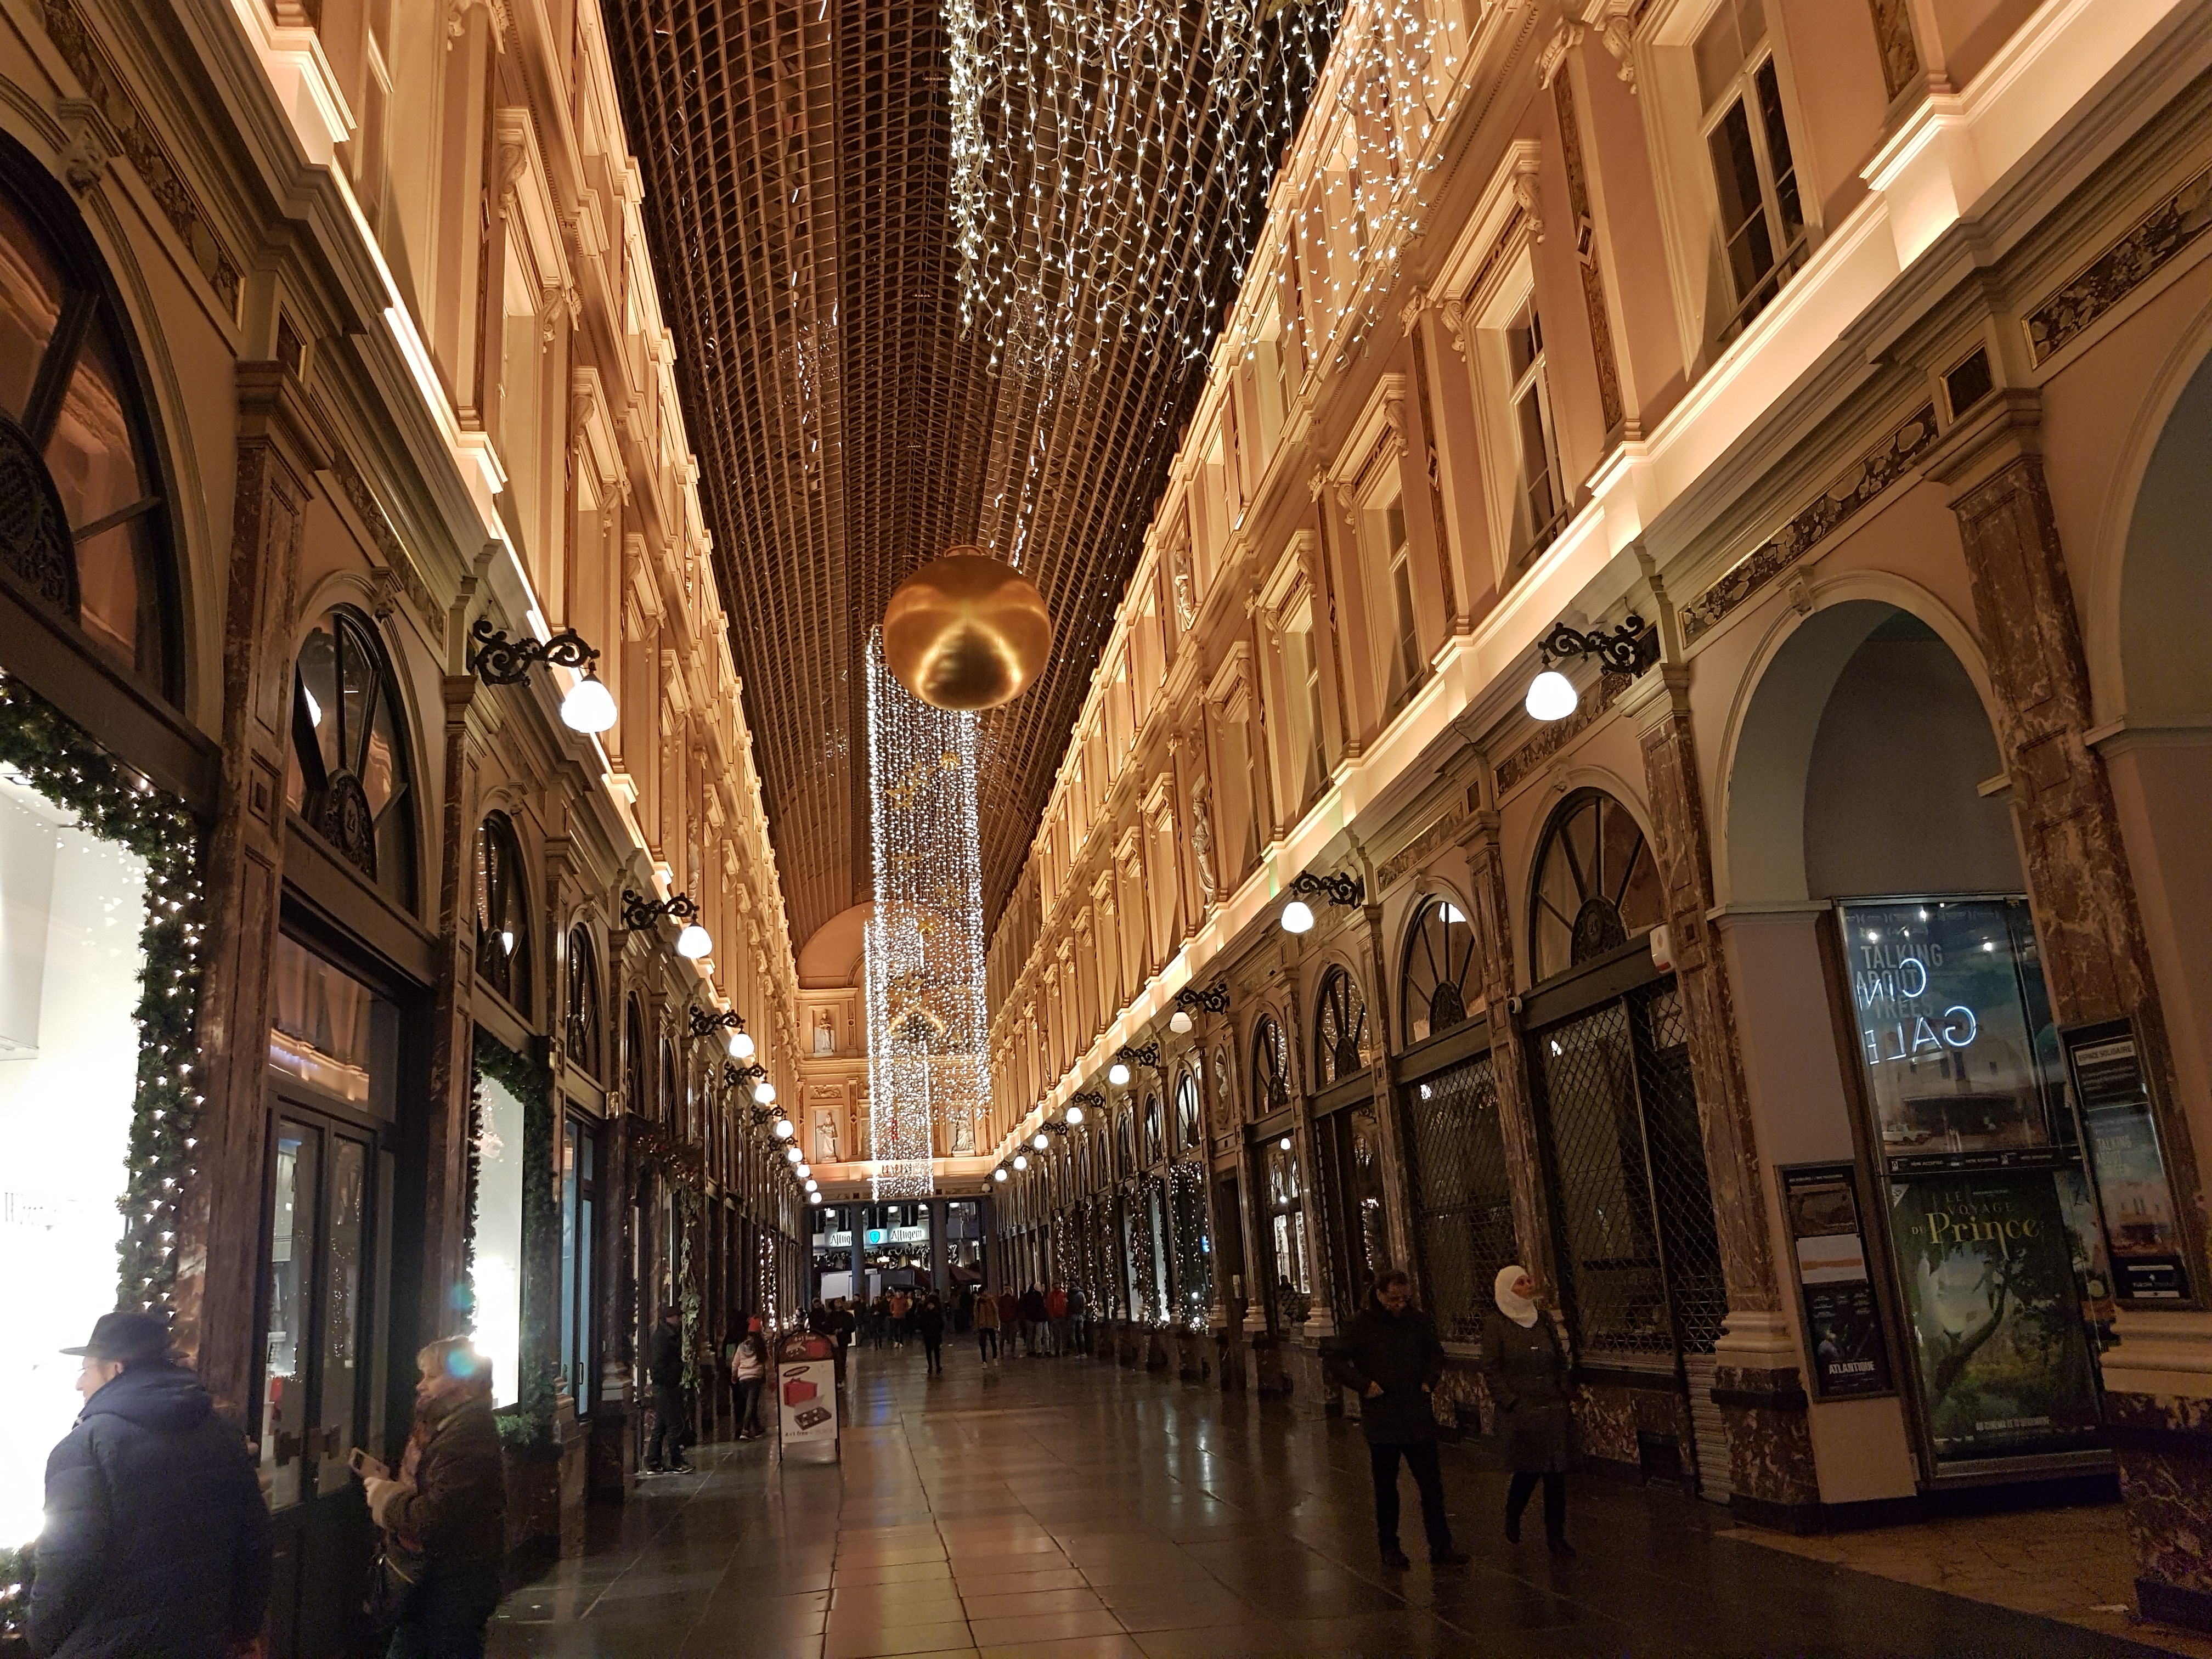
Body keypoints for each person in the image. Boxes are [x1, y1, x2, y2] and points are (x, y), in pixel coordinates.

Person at [30, 1310, 270, 1659]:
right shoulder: (223, 1434)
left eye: (86, 1369)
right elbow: (254, 1540)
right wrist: (244, 1630)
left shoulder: (84, 1448)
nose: (79, 1384)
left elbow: (66, 1568)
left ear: (116, 1369)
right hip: (204, 1642)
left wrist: (42, 1640)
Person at [362, 1337, 507, 1658]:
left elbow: (434, 1516)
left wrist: (387, 1500)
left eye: (432, 1376)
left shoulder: (468, 1432)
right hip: (433, 1577)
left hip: (454, 1581)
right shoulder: (442, 1426)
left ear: (463, 1384)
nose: (420, 1385)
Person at [1325, 1268, 1468, 1571]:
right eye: (1393, 1300)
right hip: (1384, 1418)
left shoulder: (1416, 1322)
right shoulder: (1362, 1325)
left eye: (1404, 1299)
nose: (1399, 1305)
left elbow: (1435, 1353)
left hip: (1417, 1415)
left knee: (1431, 1485)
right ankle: (1389, 1546)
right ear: (1379, 1295)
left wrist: (1429, 1381)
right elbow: (1333, 1359)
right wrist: (1364, 1385)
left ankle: (1441, 1545)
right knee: (1386, 1488)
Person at [1483, 1265, 1575, 1558]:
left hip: (1552, 1406)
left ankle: (1556, 1534)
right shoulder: (1497, 1325)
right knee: (1529, 1469)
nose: (1526, 1287)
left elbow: (1559, 1357)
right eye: (1519, 1284)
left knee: (1555, 1473)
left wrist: (1563, 1388)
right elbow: (1492, 1369)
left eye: (1527, 1281)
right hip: (1522, 1410)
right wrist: (1510, 1401)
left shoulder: (1543, 1319)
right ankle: (1513, 1512)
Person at [643, 1306, 692, 1475]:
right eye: (677, 1316)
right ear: (669, 1318)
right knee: (674, 1424)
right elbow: (658, 1365)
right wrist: (672, 1376)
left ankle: (654, 1461)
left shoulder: (669, 1335)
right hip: (665, 1386)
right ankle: (676, 1461)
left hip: (667, 1385)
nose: (680, 1320)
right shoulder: (662, 1337)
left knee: (661, 1425)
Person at [731, 1317, 769, 1440]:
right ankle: (746, 1430)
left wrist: (734, 1376)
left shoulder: (741, 1347)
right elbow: (767, 1363)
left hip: (743, 1378)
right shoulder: (760, 1347)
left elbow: (735, 1363)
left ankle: (757, 1428)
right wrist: (772, 1379)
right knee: (751, 1404)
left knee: (750, 1403)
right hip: (755, 1377)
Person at [915, 1293, 946, 1375]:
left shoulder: (937, 1314)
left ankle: (938, 1365)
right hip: (928, 1334)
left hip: (935, 1334)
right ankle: (930, 1366)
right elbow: (922, 1323)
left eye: (932, 1305)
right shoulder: (925, 1313)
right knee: (928, 1351)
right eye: (929, 1305)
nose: (930, 1306)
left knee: (936, 1351)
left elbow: (941, 1324)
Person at [974, 1284, 1001, 1364]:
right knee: (983, 1344)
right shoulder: (978, 1303)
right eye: (985, 1291)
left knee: (993, 1342)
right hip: (982, 1325)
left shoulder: (991, 1301)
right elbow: (976, 1315)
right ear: (982, 1292)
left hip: (991, 1324)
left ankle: (995, 1358)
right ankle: (984, 1361)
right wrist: (977, 1326)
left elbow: (995, 1312)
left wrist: (996, 1324)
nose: (987, 1292)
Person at [1019, 1284, 1049, 1357]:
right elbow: (1040, 1308)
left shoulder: (1029, 1296)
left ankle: (1033, 1350)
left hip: (1033, 1318)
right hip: (1038, 1318)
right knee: (1039, 1335)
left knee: (1033, 1334)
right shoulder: (1038, 1297)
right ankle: (1039, 1350)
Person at [1046, 1283, 1070, 1358]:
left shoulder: (1063, 1294)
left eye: (1057, 1284)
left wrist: (1065, 1314)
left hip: (1062, 1317)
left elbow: (1066, 1305)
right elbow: (1049, 1307)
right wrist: (1052, 1317)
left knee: (1063, 1334)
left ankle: (1064, 1350)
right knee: (1056, 1335)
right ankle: (1057, 1350)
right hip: (1056, 1318)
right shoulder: (1051, 1296)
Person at [995, 1287, 1020, 1357]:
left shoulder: (1013, 1299)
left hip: (1011, 1319)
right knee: (1004, 1336)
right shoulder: (1002, 1299)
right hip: (1006, 1320)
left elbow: (1017, 1307)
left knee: (1012, 1336)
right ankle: (1003, 1351)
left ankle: (1012, 1350)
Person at [1066, 1282, 1088, 1357]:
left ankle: (1075, 1352)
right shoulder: (1081, 1294)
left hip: (1072, 1315)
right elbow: (1084, 1304)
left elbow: (1067, 1305)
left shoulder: (1069, 1294)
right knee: (1081, 1334)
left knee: (1073, 1334)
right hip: (1080, 1315)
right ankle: (1083, 1352)